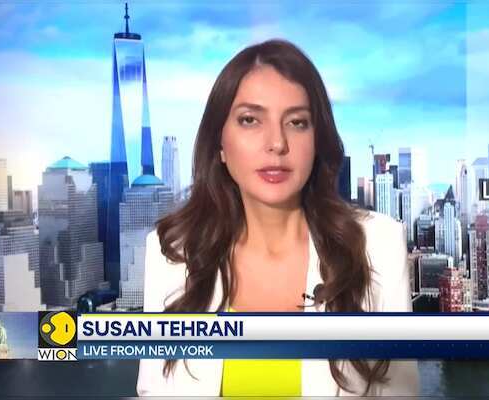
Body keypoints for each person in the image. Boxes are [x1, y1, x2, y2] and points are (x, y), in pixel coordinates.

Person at [136, 39, 418, 397]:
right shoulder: (172, 254)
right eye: (250, 120)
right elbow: (154, 390)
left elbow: (400, 393)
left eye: (297, 122)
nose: (277, 143)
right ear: (220, 144)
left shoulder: (377, 245)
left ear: (318, 141)